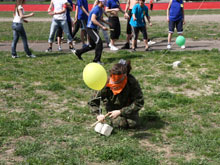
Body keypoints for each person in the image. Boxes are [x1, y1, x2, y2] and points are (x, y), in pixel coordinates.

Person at [88, 60, 144, 129]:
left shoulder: (131, 82)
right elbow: (93, 101)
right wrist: (98, 115)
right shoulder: (105, 82)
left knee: (133, 124)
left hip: (127, 106)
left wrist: (121, 112)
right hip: (112, 108)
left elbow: (139, 102)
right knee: (121, 124)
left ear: (125, 76)